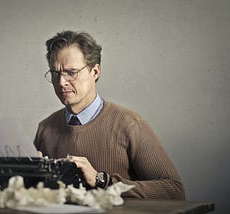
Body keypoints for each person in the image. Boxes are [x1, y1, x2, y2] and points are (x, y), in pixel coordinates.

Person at [34, 30, 185, 199]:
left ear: (95, 72)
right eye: (55, 73)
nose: (61, 82)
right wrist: (29, 176)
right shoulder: (45, 129)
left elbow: (174, 190)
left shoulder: (130, 124)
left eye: (71, 72)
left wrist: (102, 180)